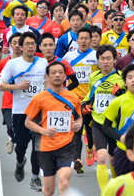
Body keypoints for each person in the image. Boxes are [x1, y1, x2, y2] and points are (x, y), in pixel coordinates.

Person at [23, 61, 82, 196]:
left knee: (64, 182)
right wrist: (44, 131)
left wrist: (77, 125)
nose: (57, 75)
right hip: (46, 148)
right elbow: (28, 122)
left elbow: (79, 117)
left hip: (67, 146)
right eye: (53, 72)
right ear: (48, 77)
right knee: (49, 191)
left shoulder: (73, 98)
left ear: (65, 76)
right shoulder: (39, 98)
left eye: (60, 72)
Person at [0, 32, 48, 190]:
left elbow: (47, 84)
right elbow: (1, 85)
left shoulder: (43, 63)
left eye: (33, 43)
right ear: (20, 46)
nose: (31, 46)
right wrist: (18, 86)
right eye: (27, 44)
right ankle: (20, 162)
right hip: (20, 111)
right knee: (21, 146)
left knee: (37, 146)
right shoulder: (13, 64)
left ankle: (35, 177)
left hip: (39, 111)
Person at [81, 45, 125, 191]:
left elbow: (129, 99)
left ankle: (115, 188)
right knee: (101, 157)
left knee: (112, 160)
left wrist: (120, 93)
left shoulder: (121, 77)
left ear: (114, 59)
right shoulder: (93, 77)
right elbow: (90, 95)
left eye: (108, 58)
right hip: (98, 122)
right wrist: (84, 105)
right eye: (102, 59)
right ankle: (105, 192)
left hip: (114, 125)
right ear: (98, 60)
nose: (105, 61)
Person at [62, 28, 99, 173]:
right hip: (74, 100)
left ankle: (90, 147)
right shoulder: (69, 56)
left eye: (86, 38)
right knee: (76, 130)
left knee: (90, 129)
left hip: (90, 99)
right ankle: (77, 159)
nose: (83, 41)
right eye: (81, 38)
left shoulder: (96, 56)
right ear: (76, 41)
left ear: (91, 40)